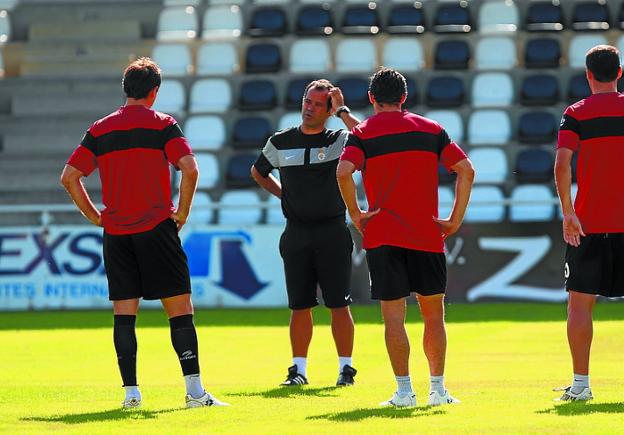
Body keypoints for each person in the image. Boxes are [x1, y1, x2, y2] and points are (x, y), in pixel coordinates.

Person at [60, 57, 228, 409]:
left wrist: (96, 217)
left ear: (126, 89)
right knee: (180, 309)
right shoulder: (163, 124)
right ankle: (195, 393)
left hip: (118, 233)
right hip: (155, 227)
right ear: (154, 92)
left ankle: (131, 395)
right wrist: (181, 212)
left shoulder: (100, 129)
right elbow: (189, 168)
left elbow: (70, 178)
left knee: (124, 313)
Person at [336, 67, 474, 407]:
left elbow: (343, 171)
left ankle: (403, 392)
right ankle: (438, 391)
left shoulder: (364, 133)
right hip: (427, 234)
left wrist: (356, 213)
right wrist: (454, 220)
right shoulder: (431, 129)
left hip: (383, 236)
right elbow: (466, 170)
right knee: (433, 315)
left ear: (371, 98)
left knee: (394, 317)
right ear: (404, 97)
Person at [251, 79, 362, 387]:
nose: (308, 108)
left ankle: (346, 369)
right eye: (306, 101)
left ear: (328, 110)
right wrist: (283, 195)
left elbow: (367, 136)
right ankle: (298, 370)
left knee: (339, 304)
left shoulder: (340, 139)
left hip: (333, 232)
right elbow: (258, 171)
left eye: (317, 104)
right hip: (296, 233)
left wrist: (343, 110)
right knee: (300, 305)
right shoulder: (281, 141)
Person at [554, 44, 624, 402]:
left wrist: (568, 211)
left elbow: (562, 164)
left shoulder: (576, 113)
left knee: (579, 305)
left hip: (589, 224)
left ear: (588, 75)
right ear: (620, 73)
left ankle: (581, 386)